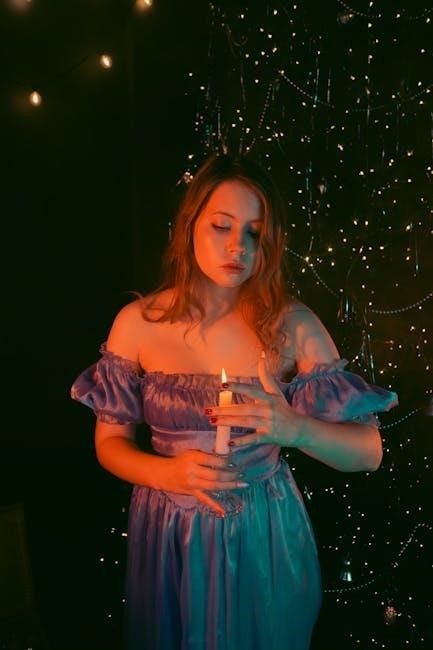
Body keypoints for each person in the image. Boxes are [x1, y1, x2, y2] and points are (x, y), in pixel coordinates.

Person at [71, 153, 398, 650]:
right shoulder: (138, 323)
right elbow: (109, 444)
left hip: (262, 535)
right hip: (169, 535)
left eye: (254, 233)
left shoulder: (292, 324)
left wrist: (296, 429)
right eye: (221, 226)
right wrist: (166, 474)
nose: (237, 246)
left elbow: (369, 453)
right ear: (189, 226)